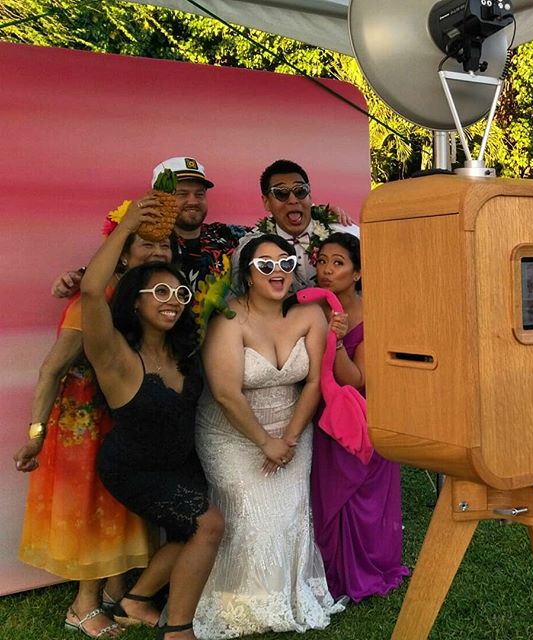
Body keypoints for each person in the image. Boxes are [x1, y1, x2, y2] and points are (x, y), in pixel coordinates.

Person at [13, 216, 176, 638]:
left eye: (165, 245)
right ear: (121, 252)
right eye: (147, 245)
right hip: (83, 423)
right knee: (93, 507)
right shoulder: (93, 299)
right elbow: (52, 370)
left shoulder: (148, 299)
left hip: (125, 418)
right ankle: (82, 605)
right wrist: (35, 434)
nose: (159, 253)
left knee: (122, 508)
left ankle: (115, 591)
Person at [80, 199, 225, 640]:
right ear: (136, 302)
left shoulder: (183, 349)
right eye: (160, 293)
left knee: (187, 534)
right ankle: (178, 629)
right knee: (208, 525)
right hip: (133, 466)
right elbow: (90, 291)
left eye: (180, 293)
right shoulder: (116, 356)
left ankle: (136, 599)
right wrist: (126, 228)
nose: (174, 301)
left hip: (180, 461)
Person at [193, 234, 342, 638]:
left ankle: (285, 594)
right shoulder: (227, 318)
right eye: (265, 265)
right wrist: (264, 442)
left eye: (285, 263)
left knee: (288, 514)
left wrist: (290, 438)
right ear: (247, 273)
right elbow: (225, 392)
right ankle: (235, 601)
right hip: (231, 434)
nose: (277, 271)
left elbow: (314, 382)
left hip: (292, 430)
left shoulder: (311, 314)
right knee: (250, 514)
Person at [312, 232, 409, 602]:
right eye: (322, 261)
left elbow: (356, 379)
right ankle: (330, 568)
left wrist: (335, 341)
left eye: (338, 264)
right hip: (322, 420)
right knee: (329, 498)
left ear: (357, 273)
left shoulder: (371, 314)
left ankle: (366, 567)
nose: (326, 271)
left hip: (360, 421)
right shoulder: (310, 306)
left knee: (362, 500)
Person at [52, 156, 250, 297]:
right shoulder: (146, 240)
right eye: (181, 194)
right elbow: (113, 268)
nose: (193, 201)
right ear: (160, 197)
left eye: (199, 194)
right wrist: (77, 277)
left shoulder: (228, 234)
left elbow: (270, 239)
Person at [239, 159, 360, 288]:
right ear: (266, 202)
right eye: (281, 193)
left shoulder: (344, 232)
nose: (293, 200)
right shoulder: (252, 247)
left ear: (310, 195)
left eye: (300, 191)